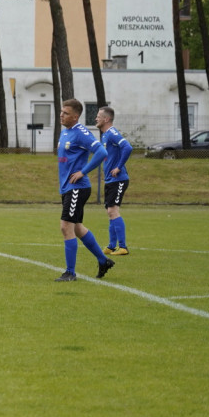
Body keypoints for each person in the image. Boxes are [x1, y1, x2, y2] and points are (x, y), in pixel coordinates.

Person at [55, 99, 113, 282]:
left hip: (77, 188)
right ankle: (103, 260)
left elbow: (102, 153)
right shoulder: (65, 132)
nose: (61, 115)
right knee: (77, 228)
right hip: (68, 188)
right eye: (61, 112)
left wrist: (83, 172)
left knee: (66, 227)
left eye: (65, 113)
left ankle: (70, 273)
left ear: (75, 116)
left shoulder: (81, 133)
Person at [95, 106, 132, 256]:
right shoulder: (105, 136)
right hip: (111, 180)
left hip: (119, 179)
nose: (96, 118)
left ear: (106, 119)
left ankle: (123, 247)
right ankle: (111, 246)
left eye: (98, 116)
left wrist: (118, 167)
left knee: (113, 211)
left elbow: (127, 147)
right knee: (110, 212)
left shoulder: (111, 133)